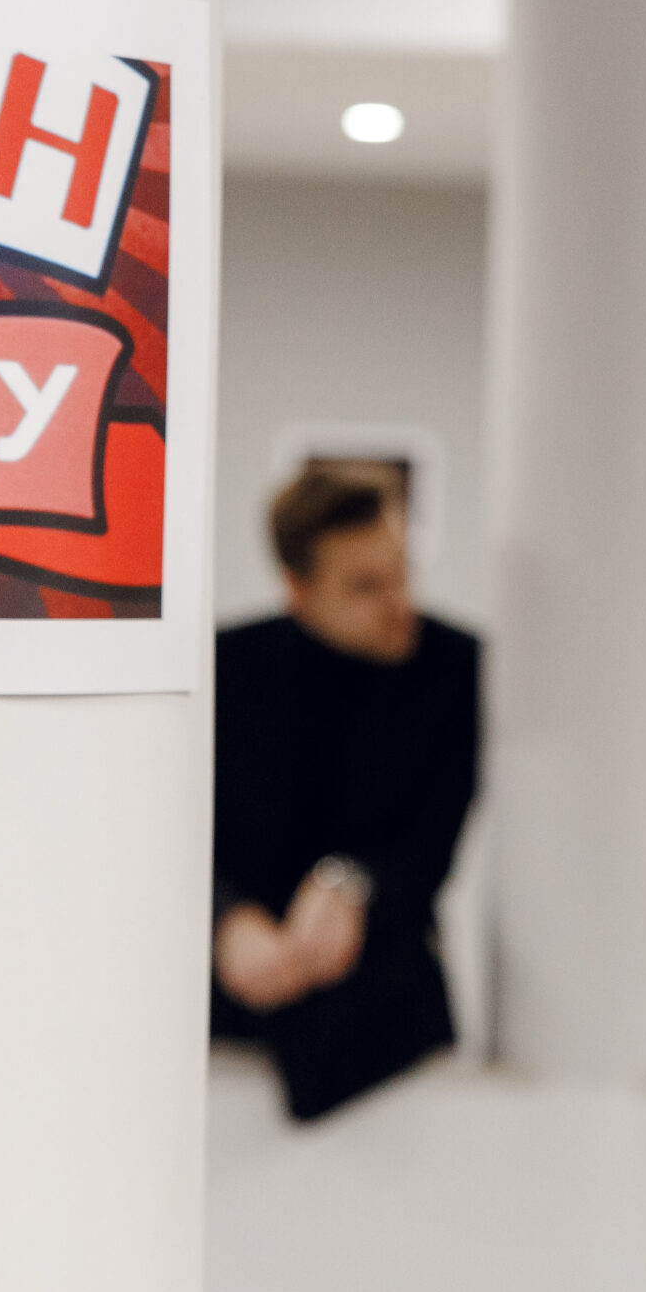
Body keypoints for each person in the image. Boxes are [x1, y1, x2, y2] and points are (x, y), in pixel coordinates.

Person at [210, 470, 479, 1122]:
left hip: (389, 1026)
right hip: (230, 1027)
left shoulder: (456, 667)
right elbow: (182, 837)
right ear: (297, 588)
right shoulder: (228, 668)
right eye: (366, 586)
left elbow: (430, 849)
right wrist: (226, 920)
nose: (400, 602)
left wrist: (355, 885)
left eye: (403, 572)